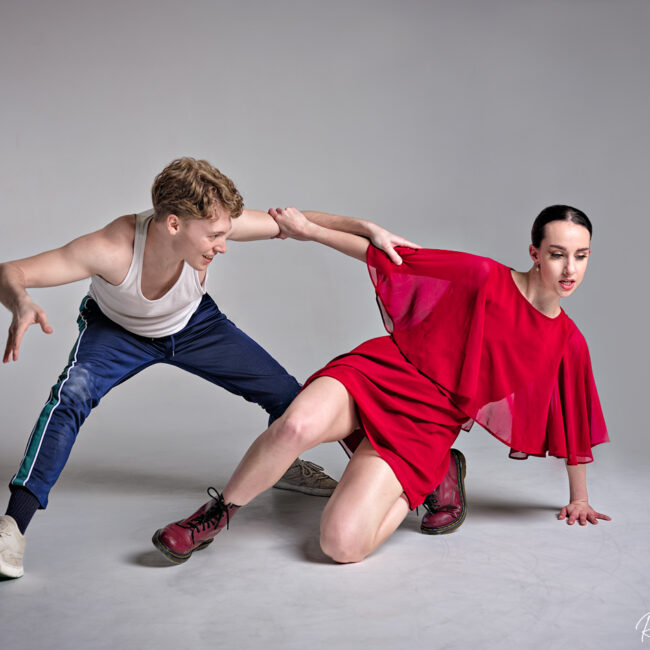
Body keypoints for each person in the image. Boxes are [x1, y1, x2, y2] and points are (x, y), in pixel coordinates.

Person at [0, 157, 418, 579]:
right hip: (118, 333)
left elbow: (297, 222)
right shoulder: (110, 248)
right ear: (174, 224)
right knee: (69, 399)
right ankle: (13, 526)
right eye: (214, 236)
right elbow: (10, 272)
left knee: (290, 397)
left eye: (225, 233)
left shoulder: (216, 224)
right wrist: (20, 302)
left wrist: (368, 229)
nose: (223, 245)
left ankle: (289, 465)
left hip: (194, 325)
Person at [152, 204, 611, 565]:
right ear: (534, 253)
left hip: (427, 424)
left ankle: (433, 473)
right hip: (384, 372)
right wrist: (310, 230)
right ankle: (212, 518)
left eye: (581, 256)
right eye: (557, 254)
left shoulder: (569, 342)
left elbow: (575, 418)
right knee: (295, 427)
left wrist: (580, 498)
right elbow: (391, 257)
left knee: (341, 545)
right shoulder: (484, 277)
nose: (569, 269)